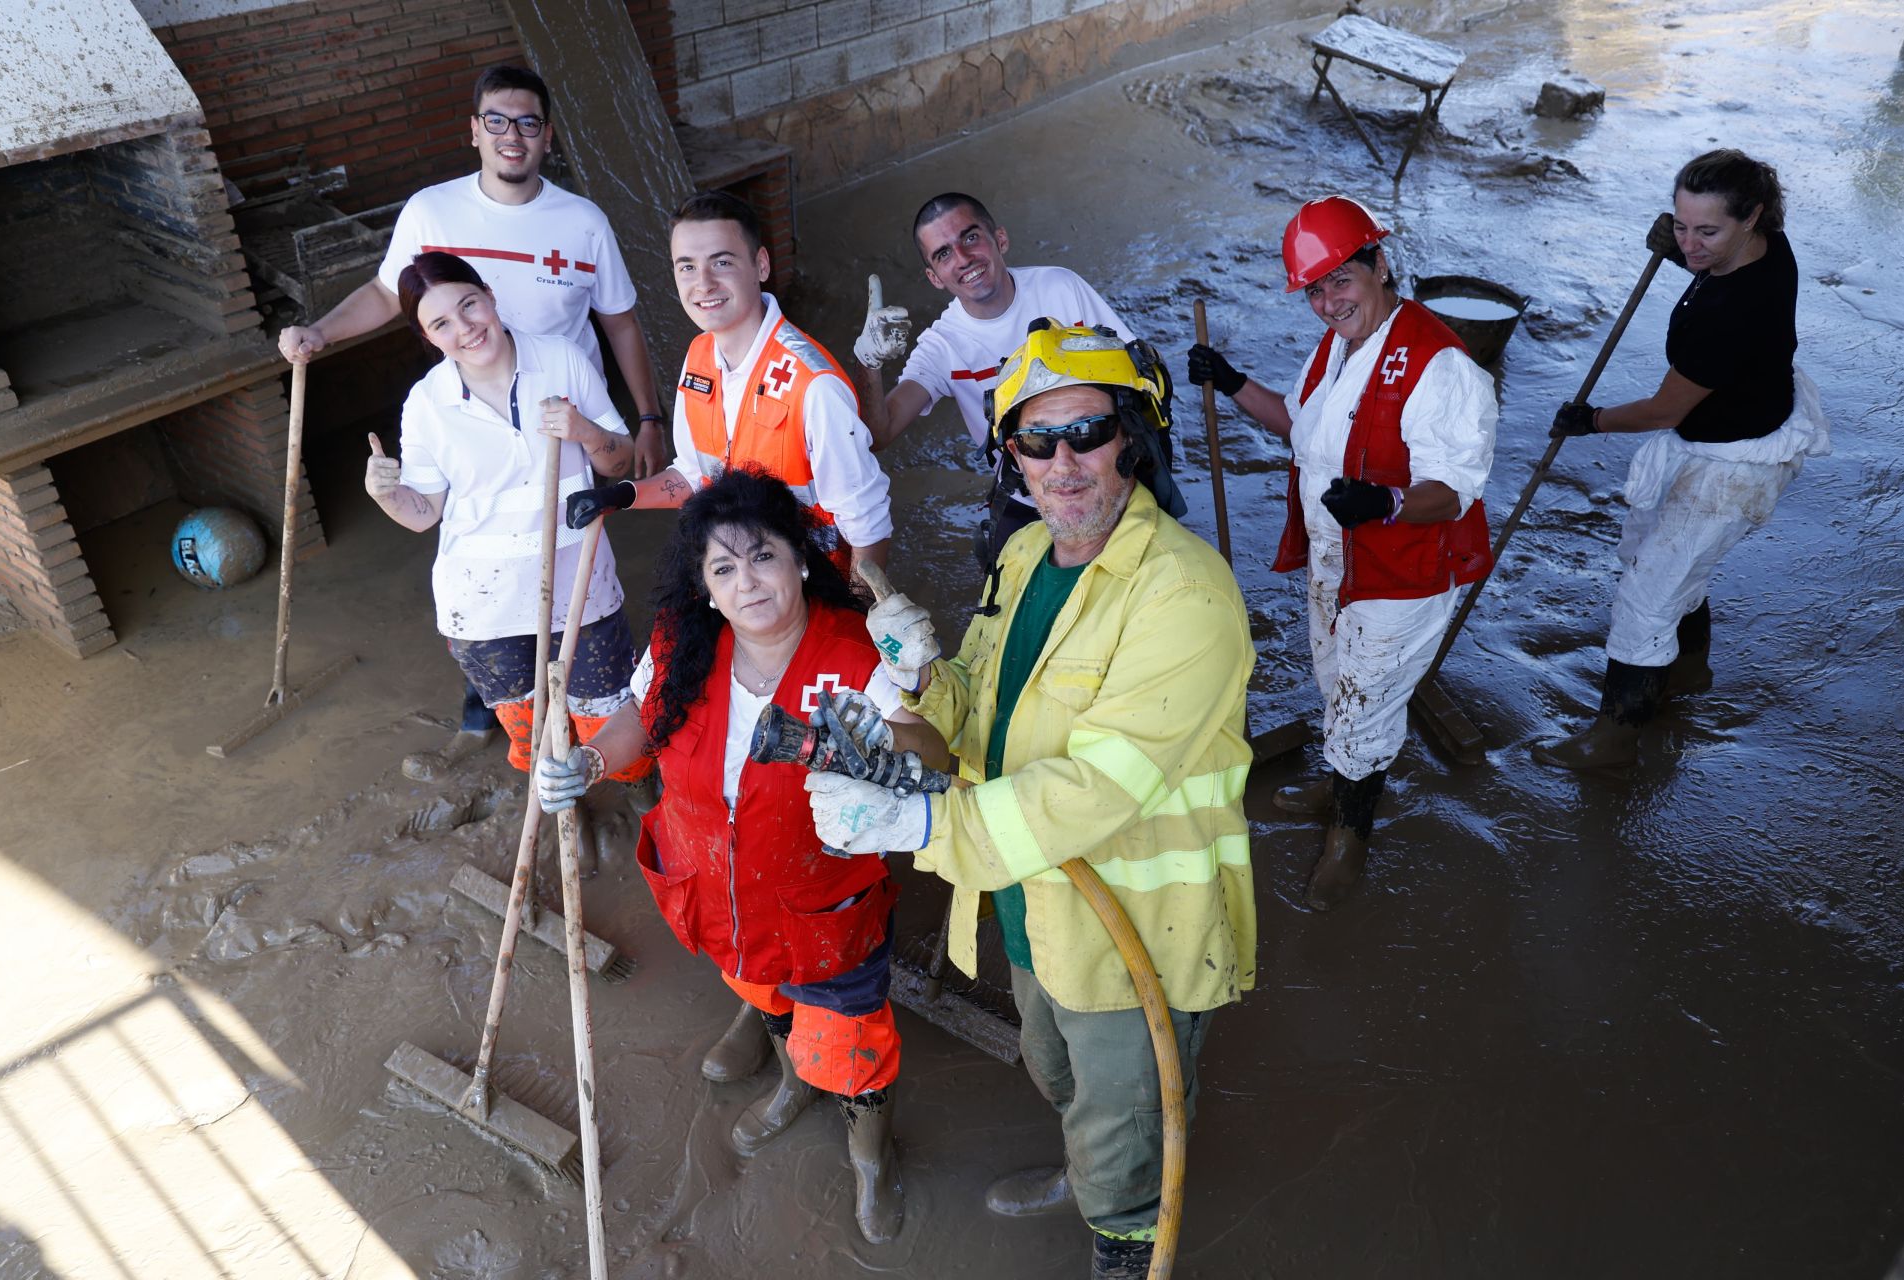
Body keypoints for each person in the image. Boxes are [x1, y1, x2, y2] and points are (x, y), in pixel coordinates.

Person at [802, 321, 1256, 1280]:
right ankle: (1095, 1171)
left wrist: (924, 822)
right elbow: (978, 706)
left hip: (1140, 925)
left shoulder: (1185, 595)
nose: (1063, 463)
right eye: (1035, 441)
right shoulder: (1020, 560)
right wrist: (925, 676)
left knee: (1125, 1109)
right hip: (1031, 899)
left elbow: (1098, 787)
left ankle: (1126, 1232)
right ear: (1010, 454)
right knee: (1058, 1072)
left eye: (1087, 432)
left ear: (1133, 434)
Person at [533, 467, 943, 1245]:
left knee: (853, 1047)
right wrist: (589, 762)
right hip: (719, 895)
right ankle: (793, 1088)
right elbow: (638, 723)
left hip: (826, 906)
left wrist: (915, 688)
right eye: (723, 567)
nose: (746, 581)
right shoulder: (682, 641)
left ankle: (869, 1155)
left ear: (799, 559)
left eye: (762, 557)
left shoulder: (858, 652)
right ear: (706, 586)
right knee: (775, 1008)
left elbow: (935, 757)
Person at [278, 64, 669, 782]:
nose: (511, 136)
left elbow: (619, 323)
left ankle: (607, 749)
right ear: (474, 130)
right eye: (497, 120)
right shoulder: (432, 214)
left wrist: (644, 421)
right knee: (488, 563)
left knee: (571, 571)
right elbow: (385, 291)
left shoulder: (582, 223)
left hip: (562, 419)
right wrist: (322, 334)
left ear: (547, 136)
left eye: (527, 123)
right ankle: (502, 709)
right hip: (477, 415)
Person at [1186, 196, 1497, 910]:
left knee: (1364, 706)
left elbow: (1454, 489)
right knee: (1337, 684)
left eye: (1341, 281)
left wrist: (1386, 502)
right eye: (1315, 290)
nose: (1328, 302)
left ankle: (1350, 834)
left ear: (1379, 266)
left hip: (1401, 572)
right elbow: (1300, 426)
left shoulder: (1439, 366)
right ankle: (1338, 783)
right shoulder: (1335, 348)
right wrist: (1232, 382)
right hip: (1338, 556)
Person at [1533, 150, 1829, 769]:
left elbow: (1665, 410)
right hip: (1742, 417)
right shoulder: (1768, 243)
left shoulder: (1729, 317)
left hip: (1734, 463)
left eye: (1707, 231)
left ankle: (1614, 737)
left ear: (1751, 217)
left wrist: (1591, 421)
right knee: (1660, 555)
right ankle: (1689, 667)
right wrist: (1684, 250)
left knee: (1647, 592)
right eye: (1680, 224)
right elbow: (1707, 255)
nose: (1689, 243)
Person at [365, 252, 648, 866]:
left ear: (489, 295)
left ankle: (647, 806)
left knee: (608, 715)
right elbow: (423, 514)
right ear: (427, 338)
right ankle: (572, 819)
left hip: (580, 589)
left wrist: (582, 431)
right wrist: (385, 492)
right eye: (441, 323)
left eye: (469, 304)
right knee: (536, 729)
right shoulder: (428, 403)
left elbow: (621, 464)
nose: (464, 327)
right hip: (484, 606)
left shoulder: (563, 359)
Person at [563, 191, 892, 577]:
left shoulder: (814, 386)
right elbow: (694, 476)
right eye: (686, 267)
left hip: (812, 591)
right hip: (736, 577)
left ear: (761, 265)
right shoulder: (699, 357)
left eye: (721, 262)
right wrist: (619, 496)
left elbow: (867, 525)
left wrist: (860, 617)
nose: (702, 284)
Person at [850, 193, 1147, 573]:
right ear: (934, 277)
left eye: (970, 238)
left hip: (1105, 483)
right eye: (943, 254)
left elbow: (1138, 374)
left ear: (1000, 239)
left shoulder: (1061, 289)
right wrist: (867, 360)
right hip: (1028, 500)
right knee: (1007, 608)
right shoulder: (943, 346)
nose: (962, 258)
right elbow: (879, 432)